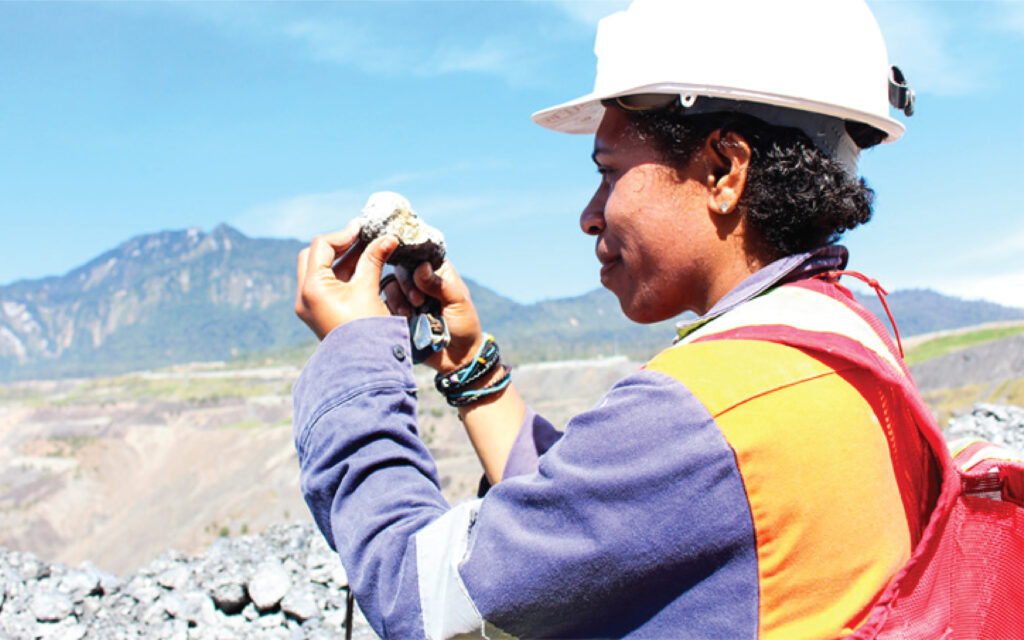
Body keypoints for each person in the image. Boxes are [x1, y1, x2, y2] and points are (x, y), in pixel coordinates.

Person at [291, 1, 945, 638]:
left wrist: (353, 355)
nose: (590, 214)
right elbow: (599, 520)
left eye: (609, 173)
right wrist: (468, 368)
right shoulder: (843, 346)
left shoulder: (704, 414)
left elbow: (422, 598)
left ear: (724, 169)